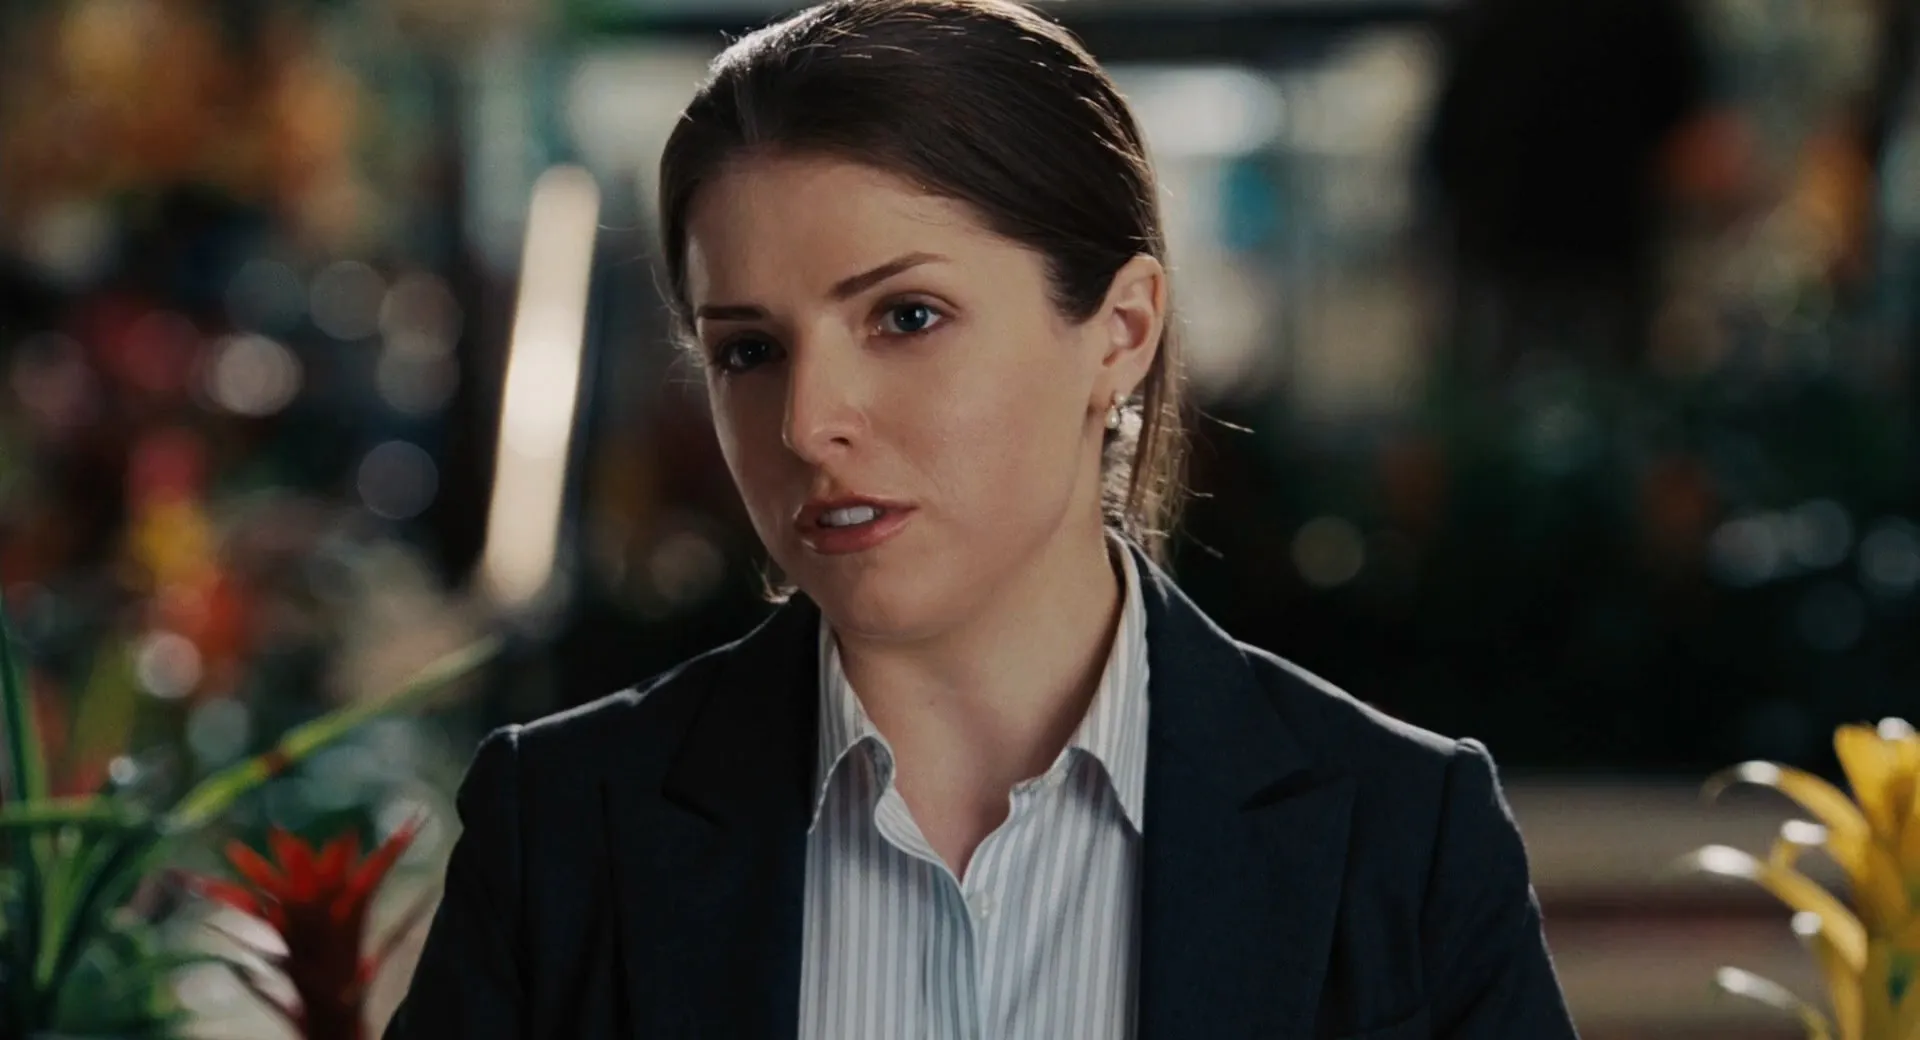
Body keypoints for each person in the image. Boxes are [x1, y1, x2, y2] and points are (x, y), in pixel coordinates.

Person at [385, 0, 1580, 1036]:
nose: (808, 422)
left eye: (906, 316)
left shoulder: (1404, 837)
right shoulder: (566, 826)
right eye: (747, 349)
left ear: (1120, 332)